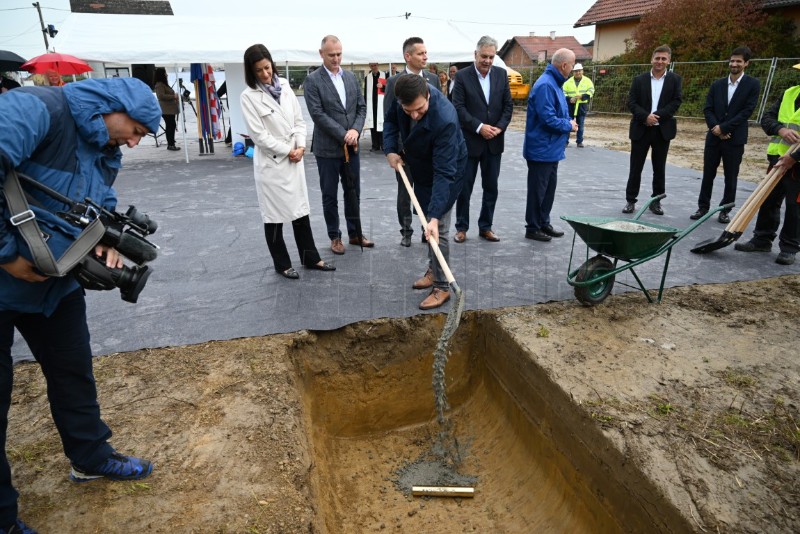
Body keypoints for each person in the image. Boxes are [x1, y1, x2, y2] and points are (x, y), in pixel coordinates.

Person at [0, 77, 160, 534]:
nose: (133, 142)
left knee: (73, 372)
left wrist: (103, 243)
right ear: (111, 106)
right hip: (4, 278)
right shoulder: (36, 109)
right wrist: (7, 255)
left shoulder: (103, 146)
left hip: (54, 284)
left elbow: (97, 200)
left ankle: (90, 458)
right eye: (136, 130)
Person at [240, 44, 335, 279]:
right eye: (258, 71)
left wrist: (301, 145)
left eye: (267, 67)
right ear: (250, 72)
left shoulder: (285, 87)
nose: (265, 74)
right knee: (273, 217)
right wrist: (288, 150)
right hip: (272, 163)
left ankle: (310, 257)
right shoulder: (248, 97)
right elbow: (259, 136)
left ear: (272, 64)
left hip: (294, 158)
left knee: (300, 211)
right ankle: (281, 263)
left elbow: (299, 121)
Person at [383, 74, 466, 309]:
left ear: (428, 95)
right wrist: (390, 150)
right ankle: (434, 268)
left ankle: (442, 286)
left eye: (419, 109)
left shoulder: (445, 119)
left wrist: (436, 214)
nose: (415, 115)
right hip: (420, 168)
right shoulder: (403, 96)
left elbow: (444, 173)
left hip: (447, 172)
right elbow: (389, 122)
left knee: (437, 227)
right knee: (425, 224)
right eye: (409, 111)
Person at [303, 35, 373, 255]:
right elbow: (317, 114)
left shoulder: (351, 78)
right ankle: (335, 236)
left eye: (339, 54)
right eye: (331, 54)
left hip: (351, 148)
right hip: (327, 150)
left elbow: (361, 108)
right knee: (329, 194)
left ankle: (355, 233)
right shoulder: (313, 81)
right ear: (321, 53)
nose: (336, 58)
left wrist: (355, 130)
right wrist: (344, 134)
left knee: (354, 192)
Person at [733, 67, 800, 266]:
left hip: (797, 165)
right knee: (768, 199)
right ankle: (762, 239)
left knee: (795, 207)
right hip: (777, 159)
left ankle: (789, 247)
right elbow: (768, 118)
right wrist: (781, 129)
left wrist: (794, 157)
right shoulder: (790, 92)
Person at [452, 36, 513, 244]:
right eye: (484, 56)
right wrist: (479, 127)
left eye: (491, 57)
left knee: (491, 187)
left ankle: (486, 227)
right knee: (464, 188)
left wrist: (499, 128)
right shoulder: (461, 76)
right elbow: (458, 108)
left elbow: (508, 107)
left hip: (494, 142)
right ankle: (461, 227)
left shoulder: (501, 75)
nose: (487, 61)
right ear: (475, 54)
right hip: (470, 143)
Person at [691, 47, 760, 224]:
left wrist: (725, 128)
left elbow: (747, 111)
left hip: (734, 138)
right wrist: (716, 128)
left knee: (731, 176)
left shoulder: (752, 85)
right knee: (708, 174)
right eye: (732, 61)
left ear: (746, 63)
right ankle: (703, 207)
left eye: (738, 61)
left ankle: (725, 209)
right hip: (714, 137)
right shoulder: (717, 85)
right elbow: (708, 108)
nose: (734, 64)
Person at [384, 37, 441, 247]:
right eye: (420, 53)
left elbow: (437, 116)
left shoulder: (433, 80)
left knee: (427, 191)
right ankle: (405, 231)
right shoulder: (393, 82)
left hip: (427, 152)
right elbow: (390, 119)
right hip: (405, 152)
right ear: (408, 56)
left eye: (426, 53)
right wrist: (395, 150)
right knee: (405, 194)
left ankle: (426, 229)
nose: (425, 56)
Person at [522, 48, 577, 242]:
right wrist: (568, 125)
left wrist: (568, 121)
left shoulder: (555, 83)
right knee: (538, 191)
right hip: (541, 149)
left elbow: (558, 112)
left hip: (551, 148)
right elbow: (547, 119)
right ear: (564, 65)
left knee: (548, 190)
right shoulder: (546, 85)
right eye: (572, 65)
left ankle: (543, 222)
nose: (573, 69)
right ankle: (533, 227)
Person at [623, 45, 683, 215]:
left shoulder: (675, 80)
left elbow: (676, 102)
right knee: (635, 167)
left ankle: (656, 201)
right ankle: (630, 201)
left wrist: (656, 116)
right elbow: (632, 102)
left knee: (659, 168)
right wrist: (645, 117)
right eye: (657, 58)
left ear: (669, 61)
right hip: (641, 129)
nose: (660, 61)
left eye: (664, 59)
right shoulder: (639, 79)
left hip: (662, 130)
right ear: (652, 59)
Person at [563, 63, 595, 148]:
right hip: (570, 106)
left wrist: (582, 96)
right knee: (568, 123)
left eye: (579, 71)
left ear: (582, 71)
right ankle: (565, 141)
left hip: (581, 106)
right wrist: (569, 99)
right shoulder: (568, 82)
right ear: (573, 72)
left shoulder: (587, 81)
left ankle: (579, 142)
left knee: (580, 124)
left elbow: (591, 91)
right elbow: (563, 92)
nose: (578, 73)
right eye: (576, 71)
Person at [154, 67, 180, 151]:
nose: (167, 74)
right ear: (162, 74)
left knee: (171, 125)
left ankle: (171, 142)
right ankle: (170, 144)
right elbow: (160, 96)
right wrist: (173, 96)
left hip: (170, 109)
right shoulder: (159, 84)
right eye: (165, 73)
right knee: (170, 125)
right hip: (166, 110)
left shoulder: (164, 84)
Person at [363, 62, 386, 152]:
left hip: (381, 105)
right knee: (373, 125)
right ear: (370, 66)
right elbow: (365, 92)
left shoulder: (384, 75)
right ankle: (375, 145)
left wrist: (383, 86)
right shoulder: (367, 78)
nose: (374, 67)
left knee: (382, 124)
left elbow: (389, 89)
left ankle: (383, 144)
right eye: (372, 66)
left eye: (375, 65)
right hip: (371, 105)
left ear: (378, 65)